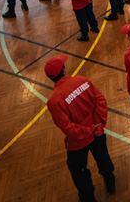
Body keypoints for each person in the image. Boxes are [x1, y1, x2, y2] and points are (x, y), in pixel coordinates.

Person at [44, 55, 116, 201]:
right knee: (103, 157)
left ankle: (88, 197)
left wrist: (88, 131)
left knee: (78, 171)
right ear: (63, 70)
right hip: (97, 131)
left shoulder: (54, 101)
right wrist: (98, 124)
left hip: (78, 141)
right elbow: (100, 100)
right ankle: (110, 183)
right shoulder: (82, 80)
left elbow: (67, 128)